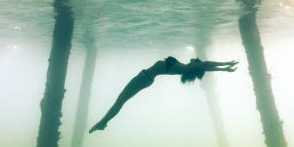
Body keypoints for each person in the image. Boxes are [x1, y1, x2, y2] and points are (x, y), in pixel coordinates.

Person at [89, 56, 238, 133]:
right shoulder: (186, 67)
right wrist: (225, 68)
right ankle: (103, 122)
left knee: (119, 101)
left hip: (144, 78)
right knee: (120, 101)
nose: (194, 59)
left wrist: (225, 65)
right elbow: (205, 66)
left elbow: (206, 65)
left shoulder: (189, 67)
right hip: (146, 78)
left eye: (196, 61)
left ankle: (103, 123)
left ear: (196, 65)